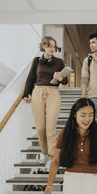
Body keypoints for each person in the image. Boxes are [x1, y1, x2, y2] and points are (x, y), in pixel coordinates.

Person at [23, 36, 68, 167]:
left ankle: (52, 156)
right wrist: (26, 93)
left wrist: (60, 78)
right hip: (37, 92)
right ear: (43, 46)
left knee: (50, 127)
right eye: (49, 46)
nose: (52, 49)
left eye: (54, 46)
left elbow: (65, 81)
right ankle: (44, 152)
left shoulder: (59, 62)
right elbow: (30, 77)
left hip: (53, 93)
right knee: (40, 127)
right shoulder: (36, 61)